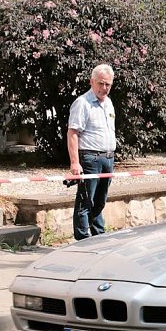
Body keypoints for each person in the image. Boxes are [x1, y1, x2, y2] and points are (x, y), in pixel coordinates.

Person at [67, 63, 117, 240]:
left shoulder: (108, 103)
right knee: (85, 200)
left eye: (108, 85)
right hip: (90, 158)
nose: (104, 88)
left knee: (100, 200)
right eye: (101, 84)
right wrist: (75, 162)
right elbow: (73, 133)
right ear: (92, 82)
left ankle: (98, 236)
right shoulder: (83, 103)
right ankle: (82, 238)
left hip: (108, 158)